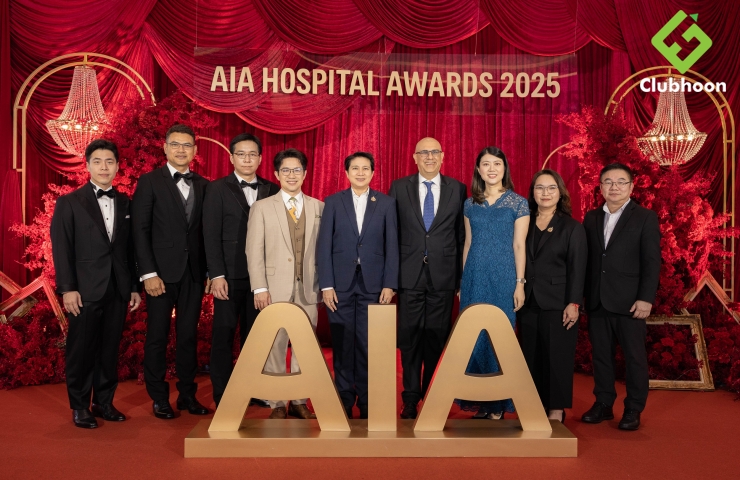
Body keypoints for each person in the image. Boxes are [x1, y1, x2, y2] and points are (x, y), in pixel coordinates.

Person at [51, 139, 142, 429]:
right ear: (88, 165)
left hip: (117, 288)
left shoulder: (126, 202)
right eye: (98, 162)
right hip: (84, 290)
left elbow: (130, 249)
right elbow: (62, 248)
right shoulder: (69, 202)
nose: (104, 167)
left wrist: (133, 287)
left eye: (110, 162)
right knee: (81, 350)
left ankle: (104, 403)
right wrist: (68, 288)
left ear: (117, 166)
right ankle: (80, 406)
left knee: (109, 349)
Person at [131, 124, 210, 419]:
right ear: (165, 148)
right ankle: (159, 398)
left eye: (187, 145)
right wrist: (148, 274)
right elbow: (139, 231)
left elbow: (207, 233)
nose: (181, 150)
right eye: (175, 144)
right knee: (157, 336)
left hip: (193, 274)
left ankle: (187, 395)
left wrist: (210, 272)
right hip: (160, 276)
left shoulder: (204, 185)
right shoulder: (149, 182)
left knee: (188, 336)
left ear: (195, 150)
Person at [389, 137, 467, 419]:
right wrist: (391, 278)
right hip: (409, 275)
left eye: (435, 152)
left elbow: (461, 236)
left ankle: (432, 397)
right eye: (424, 152)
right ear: (415, 157)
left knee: (436, 338)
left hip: (443, 276)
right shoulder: (399, 187)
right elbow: (392, 234)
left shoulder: (458, 189)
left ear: (443, 156)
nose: (430, 157)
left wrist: (460, 278)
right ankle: (410, 398)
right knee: (409, 339)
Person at [317, 152, 399, 419]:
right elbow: (323, 246)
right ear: (346, 173)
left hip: (373, 285)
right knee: (342, 344)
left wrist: (390, 283)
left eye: (365, 168)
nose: (360, 173)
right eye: (355, 168)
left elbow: (392, 246)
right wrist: (326, 284)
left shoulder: (386, 203)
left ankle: (366, 401)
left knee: (367, 345)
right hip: (339, 286)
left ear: (373, 173)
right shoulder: (333, 202)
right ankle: (343, 399)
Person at [581, 163, 660, 431]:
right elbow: (588, 261)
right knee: (601, 356)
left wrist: (646, 298)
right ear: (601, 186)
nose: (614, 187)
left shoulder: (645, 217)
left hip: (630, 302)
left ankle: (633, 408)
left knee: (634, 357)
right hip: (597, 299)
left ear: (631, 186)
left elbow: (652, 262)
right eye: (608, 182)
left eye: (620, 182)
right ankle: (603, 403)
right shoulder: (591, 218)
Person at [246, 148, 324, 419]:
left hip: (309, 287)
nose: (292, 175)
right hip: (273, 288)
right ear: (276, 174)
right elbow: (253, 250)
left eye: (297, 170)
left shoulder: (319, 207)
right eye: (286, 170)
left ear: (305, 173)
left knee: (306, 346)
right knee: (275, 344)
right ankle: (277, 402)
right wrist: (260, 287)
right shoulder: (262, 207)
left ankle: (300, 401)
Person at [203, 133, 279, 408]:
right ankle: (223, 395)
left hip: (262, 279)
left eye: (252, 154)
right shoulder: (216, 188)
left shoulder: (273, 189)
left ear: (260, 158)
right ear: (232, 158)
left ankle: (254, 389)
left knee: (256, 337)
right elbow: (210, 234)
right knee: (223, 335)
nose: (247, 159)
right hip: (228, 275)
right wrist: (216, 274)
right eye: (241, 154)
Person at [458, 146, 529, 419]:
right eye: (486, 164)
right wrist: (463, 281)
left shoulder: (518, 203)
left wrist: (519, 283)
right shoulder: (469, 204)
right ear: (478, 169)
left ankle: (498, 404)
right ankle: (480, 400)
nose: (492, 169)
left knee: (501, 336)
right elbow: (468, 243)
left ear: (504, 168)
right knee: (473, 336)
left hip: (504, 277)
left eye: (497, 164)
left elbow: (519, 245)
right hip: (474, 277)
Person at [518, 169, 587, 423]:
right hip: (526, 300)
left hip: (559, 302)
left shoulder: (571, 227)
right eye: (539, 188)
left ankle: (556, 409)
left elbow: (578, 268)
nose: (545, 193)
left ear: (560, 193)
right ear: (532, 192)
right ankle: (533, 406)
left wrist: (574, 302)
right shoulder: (523, 222)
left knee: (558, 357)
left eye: (551, 188)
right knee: (530, 356)